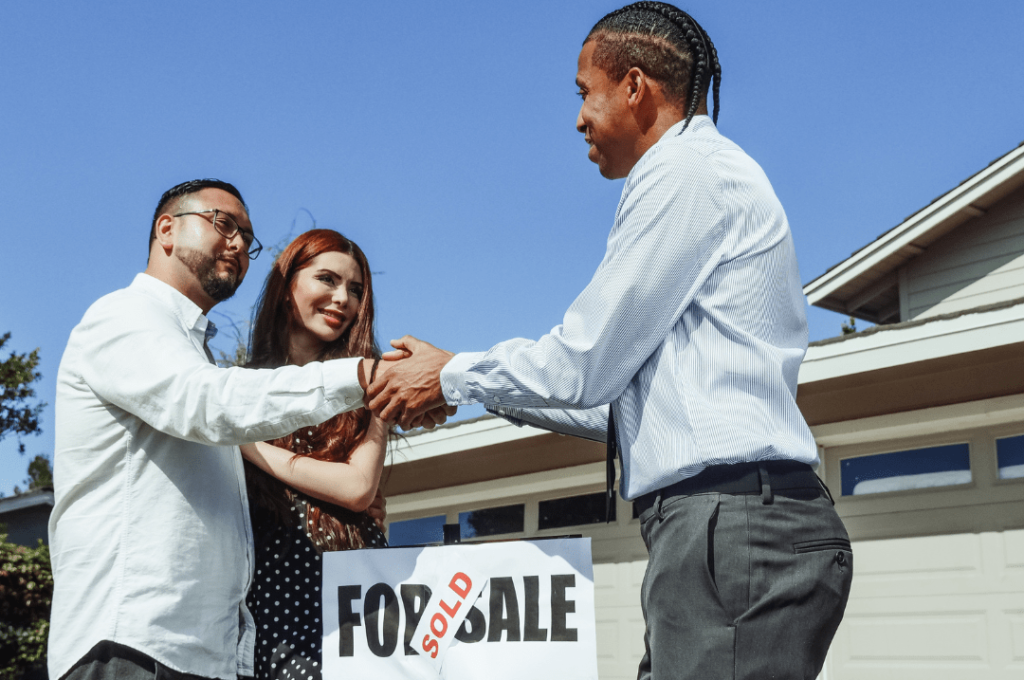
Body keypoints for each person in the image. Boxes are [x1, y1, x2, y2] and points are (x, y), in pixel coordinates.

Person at [366, 3, 852, 679]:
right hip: (727, 528)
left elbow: (586, 362)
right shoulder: (701, 175)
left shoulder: (684, 173)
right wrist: (472, 387)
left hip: (731, 529)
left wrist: (452, 376)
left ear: (633, 85)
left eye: (583, 93)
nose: (577, 118)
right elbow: (615, 408)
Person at [48, 180, 451, 680]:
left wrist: (346, 509)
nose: (239, 244)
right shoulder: (125, 317)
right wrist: (367, 375)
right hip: (133, 643)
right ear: (166, 229)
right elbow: (208, 405)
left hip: (205, 651)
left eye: (247, 237)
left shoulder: (195, 353)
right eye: (223, 224)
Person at [238, 229, 389, 680]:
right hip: (269, 608)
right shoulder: (235, 390)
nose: (343, 298)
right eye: (327, 279)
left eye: (356, 289)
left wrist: (246, 445)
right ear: (287, 287)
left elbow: (359, 489)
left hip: (355, 604)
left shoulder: (370, 391)